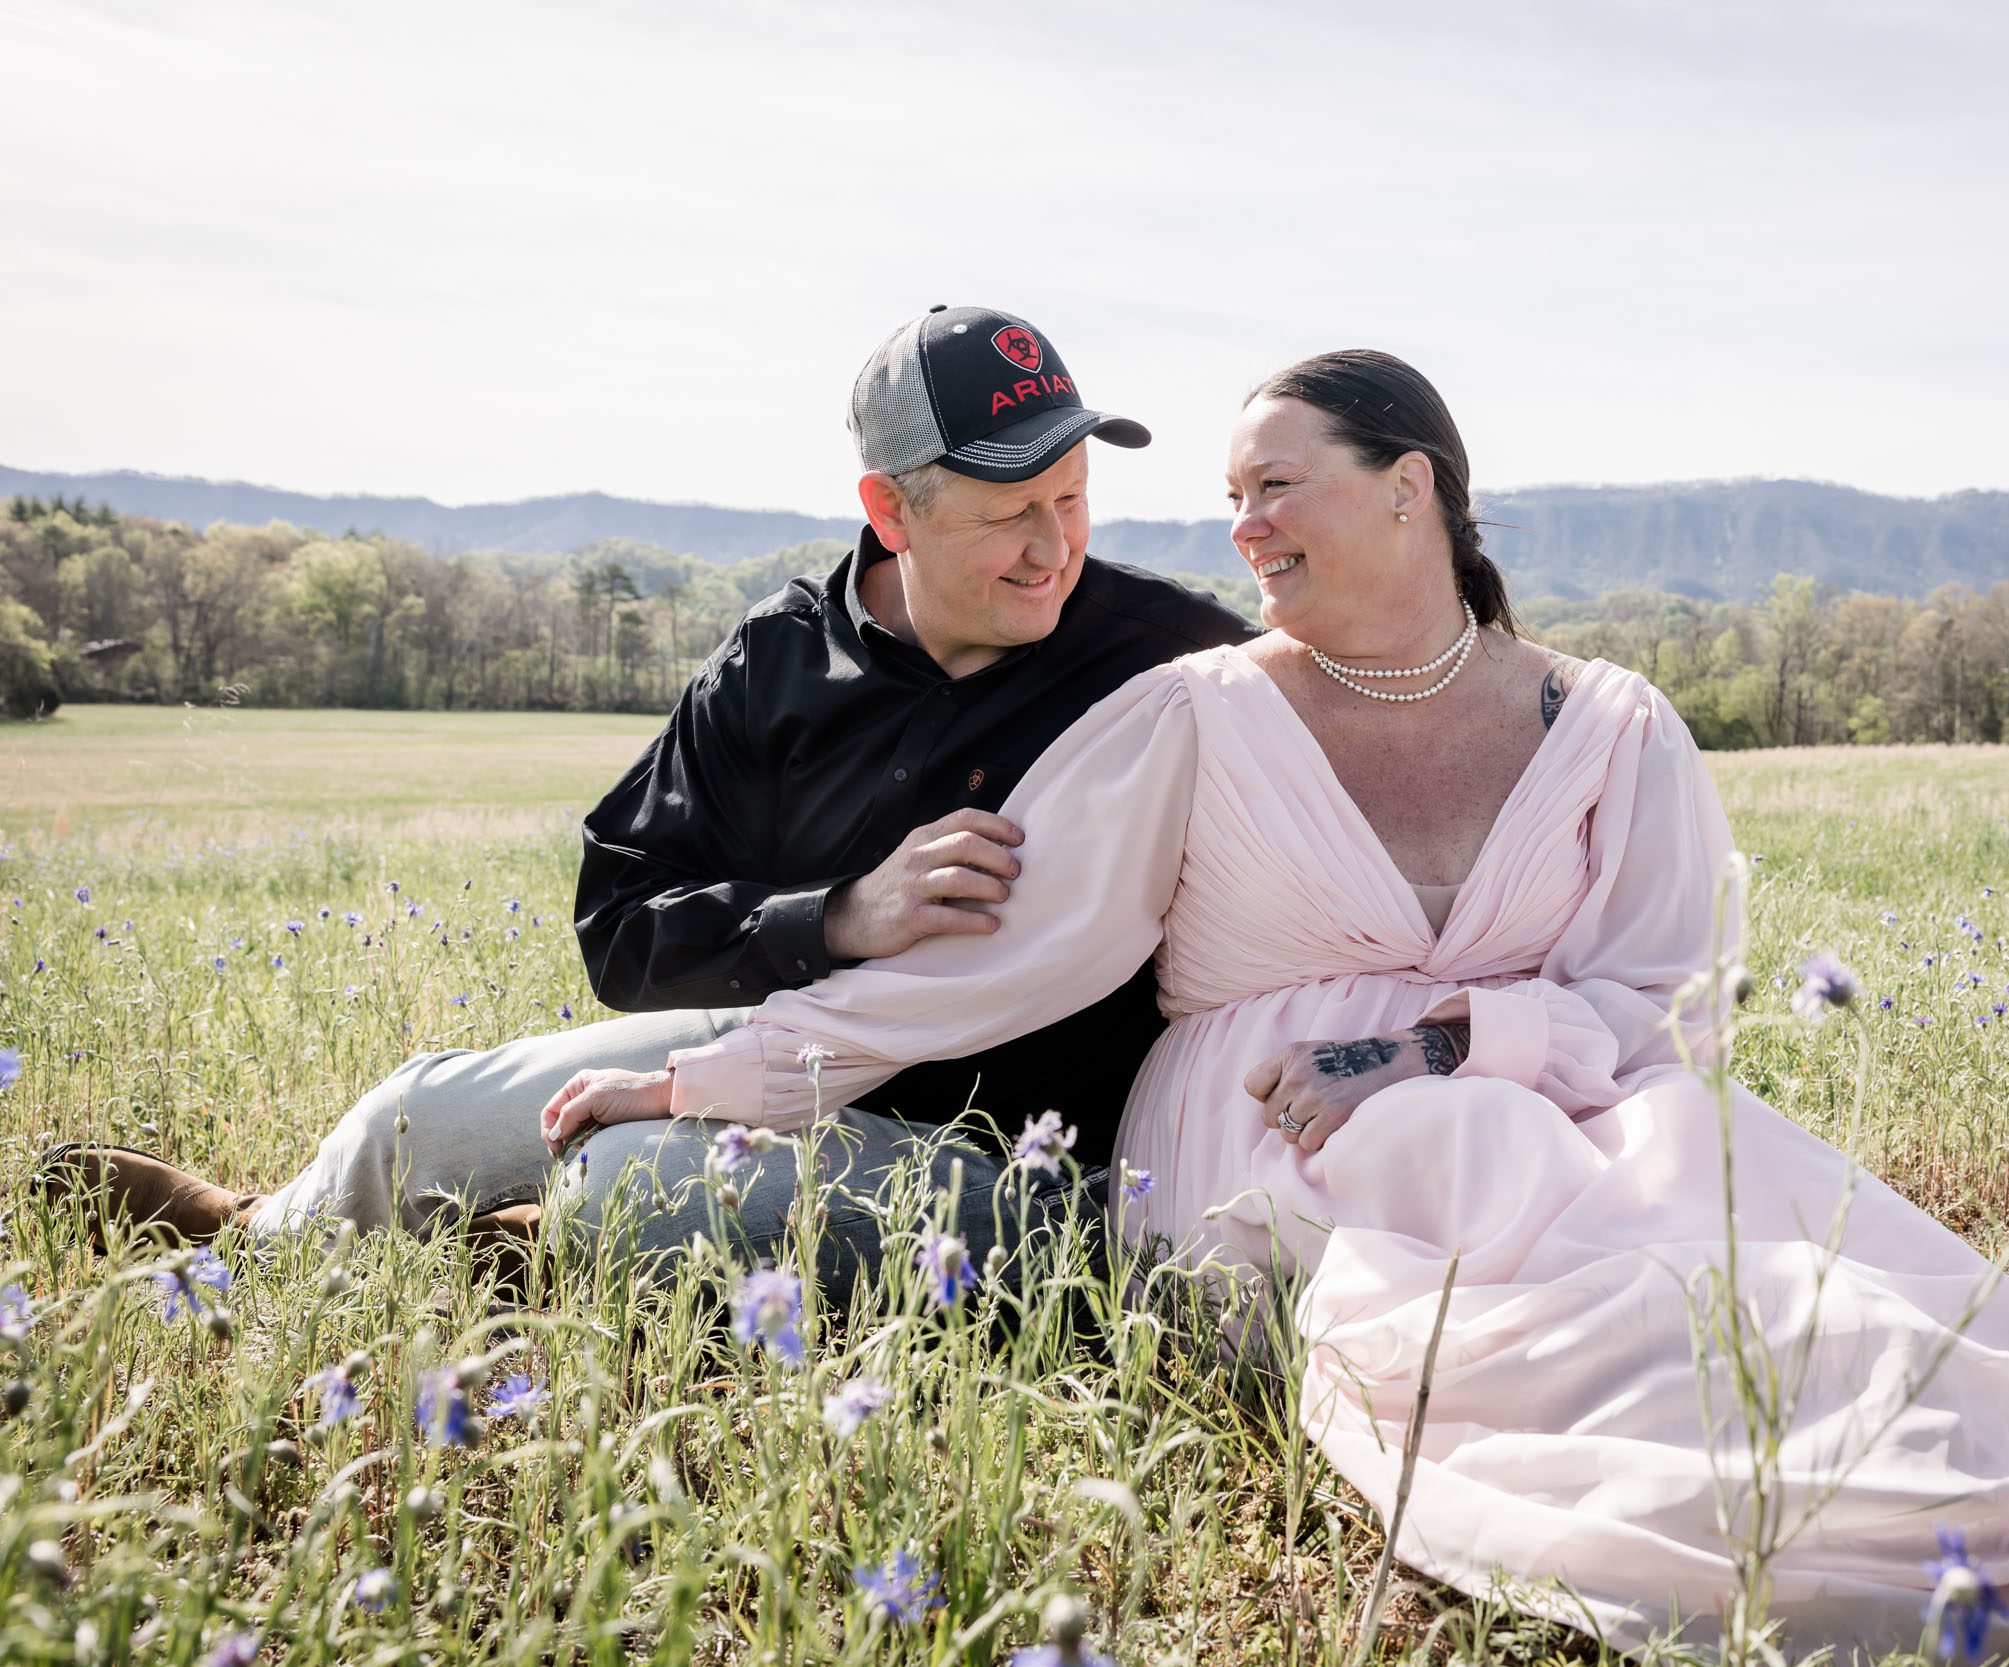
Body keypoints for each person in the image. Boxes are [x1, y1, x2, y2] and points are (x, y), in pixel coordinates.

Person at [543, 348, 2009, 1660]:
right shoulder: (1189, 713)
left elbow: (1660, 999)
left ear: (1416, 489)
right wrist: (724, 1070)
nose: (1241, 536)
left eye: (1277, 491)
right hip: (1271, 1125)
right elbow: (1003, 962)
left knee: (1759, 1219)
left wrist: (1481, 1037)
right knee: (1584, 1307)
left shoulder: (1608, 720)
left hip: (1567, 1105)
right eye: (1225, 503)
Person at [35, 304, 1251, 1292]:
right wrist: (833, 916)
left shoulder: (1174, 659)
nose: (1052, 548)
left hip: (1012, 1142)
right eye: (1005, 513)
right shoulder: (776, 663)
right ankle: (264, 1239)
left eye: (1072, 498)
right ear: (891, 510)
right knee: (419, 1109)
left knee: (625, 1180)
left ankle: (542, 1244)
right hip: (779, 1044)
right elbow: (621, 925)